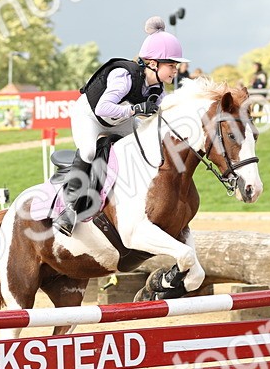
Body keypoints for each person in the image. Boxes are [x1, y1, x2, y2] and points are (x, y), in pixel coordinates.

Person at [52, 15, 187, 236]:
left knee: (138, 150)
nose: (175, 70)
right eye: (171, 65)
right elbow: (103, 109)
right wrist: (135, 110)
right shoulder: (124, 76)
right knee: (88, 151)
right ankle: (69, 209)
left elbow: (160, 117)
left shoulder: (159, 90)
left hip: (120, 121)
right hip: (90, 116)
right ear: (153, 63)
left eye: (176, 65)